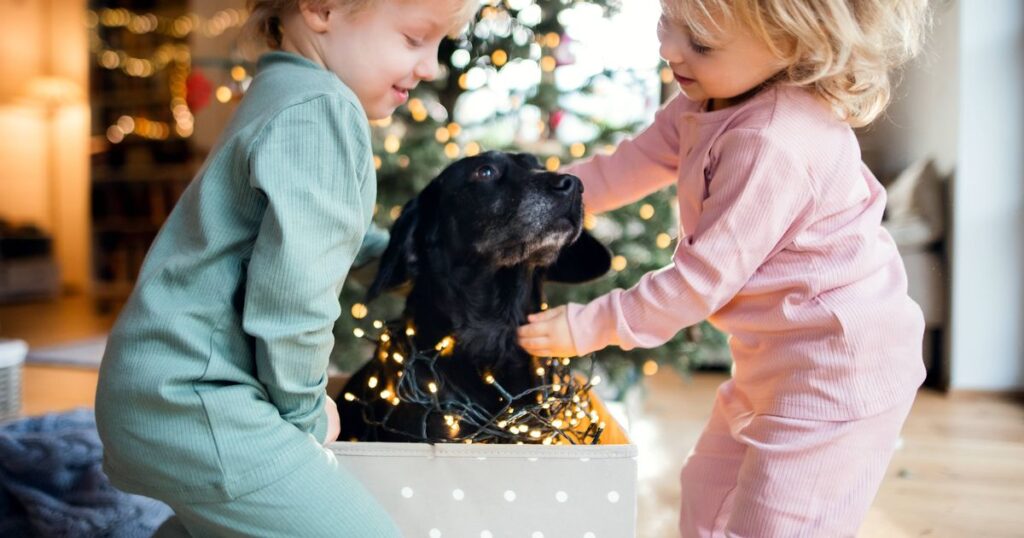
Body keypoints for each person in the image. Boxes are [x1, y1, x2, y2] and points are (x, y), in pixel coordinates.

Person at [518, 0, 931, 536]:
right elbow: (622, 168)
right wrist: (532, 205)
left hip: (838, 370)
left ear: (792, 45)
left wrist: (586, 326)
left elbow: (698, 284)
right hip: (776, 360)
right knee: (707, 492)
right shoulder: (709, 97)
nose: (670, 48)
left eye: (702, 41)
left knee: (774, 525)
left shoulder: (772, 141)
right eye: (668, 19)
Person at [95, 1, 478, 536]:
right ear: (322, 9)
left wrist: (410, 264)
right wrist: (304, 415)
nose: (432, 66)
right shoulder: (320, 109)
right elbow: (294, 298)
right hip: (199, 401)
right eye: (415, 39)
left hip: (159, 391)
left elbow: (314, 230)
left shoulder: (281, 91)